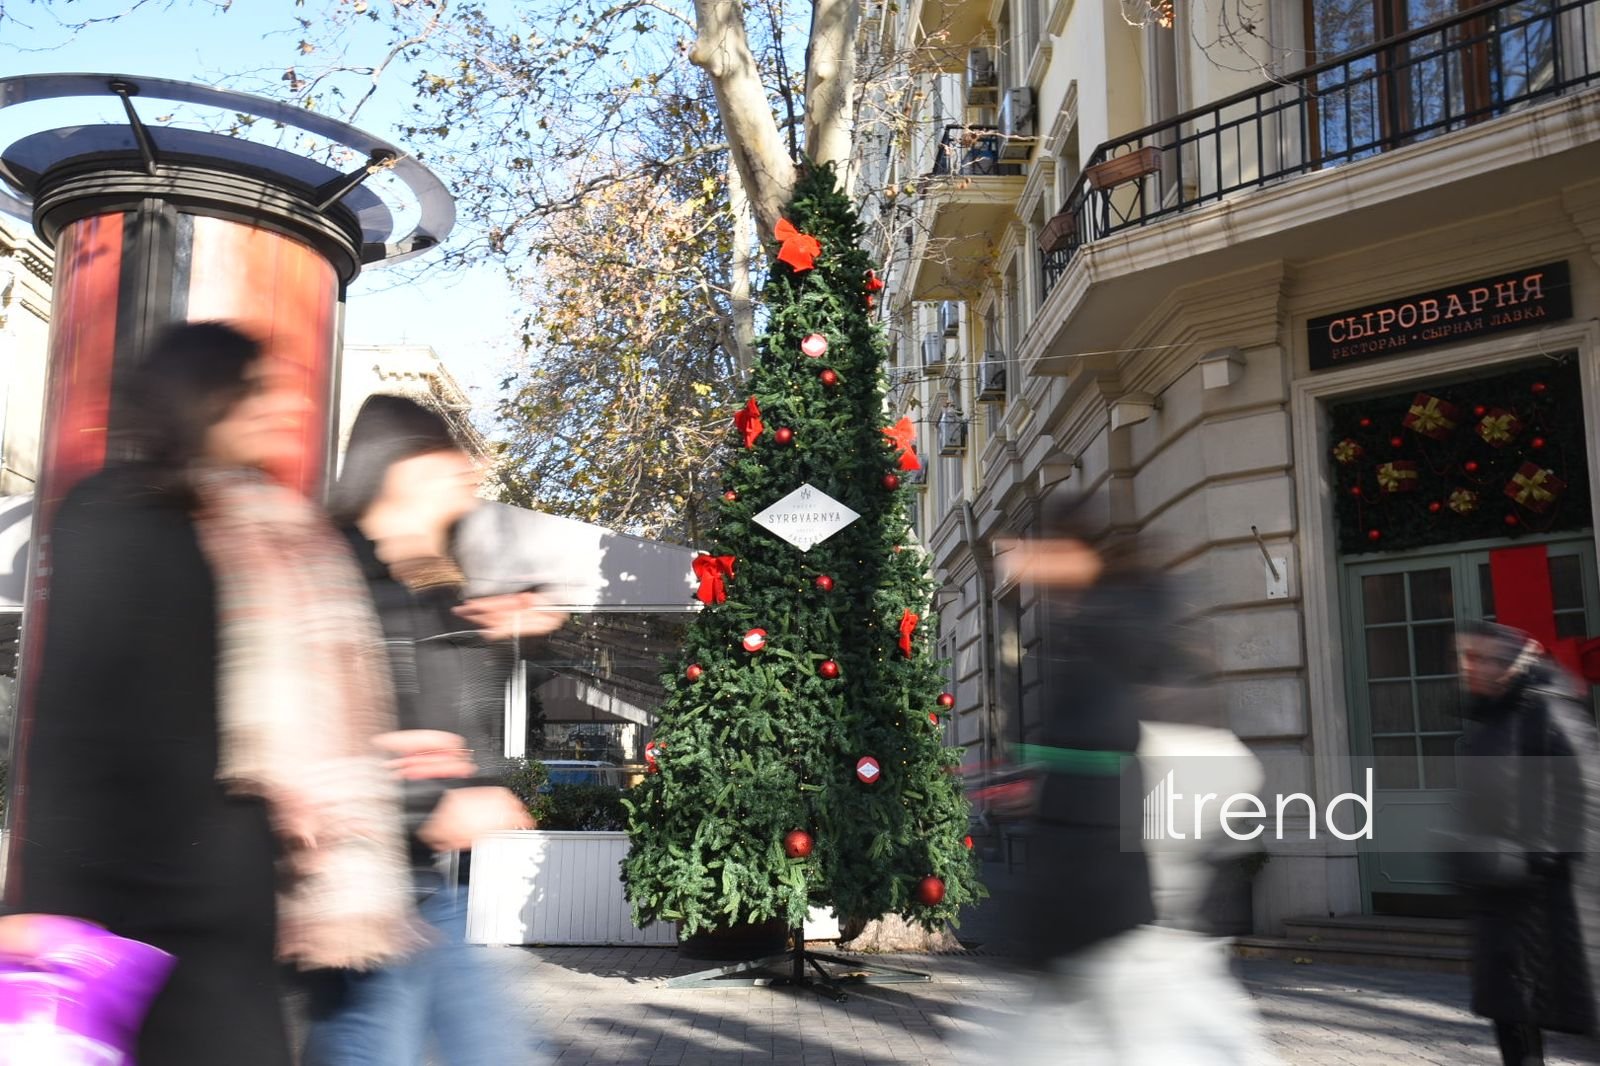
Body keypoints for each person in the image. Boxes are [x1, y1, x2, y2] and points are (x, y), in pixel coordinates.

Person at [2, 322, 420, 1066]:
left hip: (232, 898)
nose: (278, 408)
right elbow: (69, 721)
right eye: (254, 390)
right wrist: (39, 901)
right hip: (122, 899)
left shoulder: (281, 530)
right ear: (200, 397)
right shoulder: (113, 513)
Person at [303, 394, 563, 1066]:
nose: (469, 470)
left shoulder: (428, 590)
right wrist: (435, 800)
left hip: (421, 885)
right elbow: (319, 743)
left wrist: (514, 641)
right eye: (451, 456)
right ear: (405, 468)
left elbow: (460, 734)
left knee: (496, 1053)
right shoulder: (338, 576)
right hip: (356, 890)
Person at [971, 490, 1275, 1065]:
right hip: (1109, 910)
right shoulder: (1092, 632)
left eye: (1043, 549)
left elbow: (1129, 766)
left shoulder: (1116, 634)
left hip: (1116, 906)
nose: (1027, 563)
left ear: (1078, 552)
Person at [1453, 621, 1600, 1066]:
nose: (1473, 668)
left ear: (1516, 662)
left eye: (1484, 658)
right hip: (1502, 906)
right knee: (1513, 1018)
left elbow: (1587, 799)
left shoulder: (1549, 712)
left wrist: (1532, 855)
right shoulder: (1485, 722)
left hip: (1556, 904)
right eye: (1467, 658)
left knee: (1577, 1018)